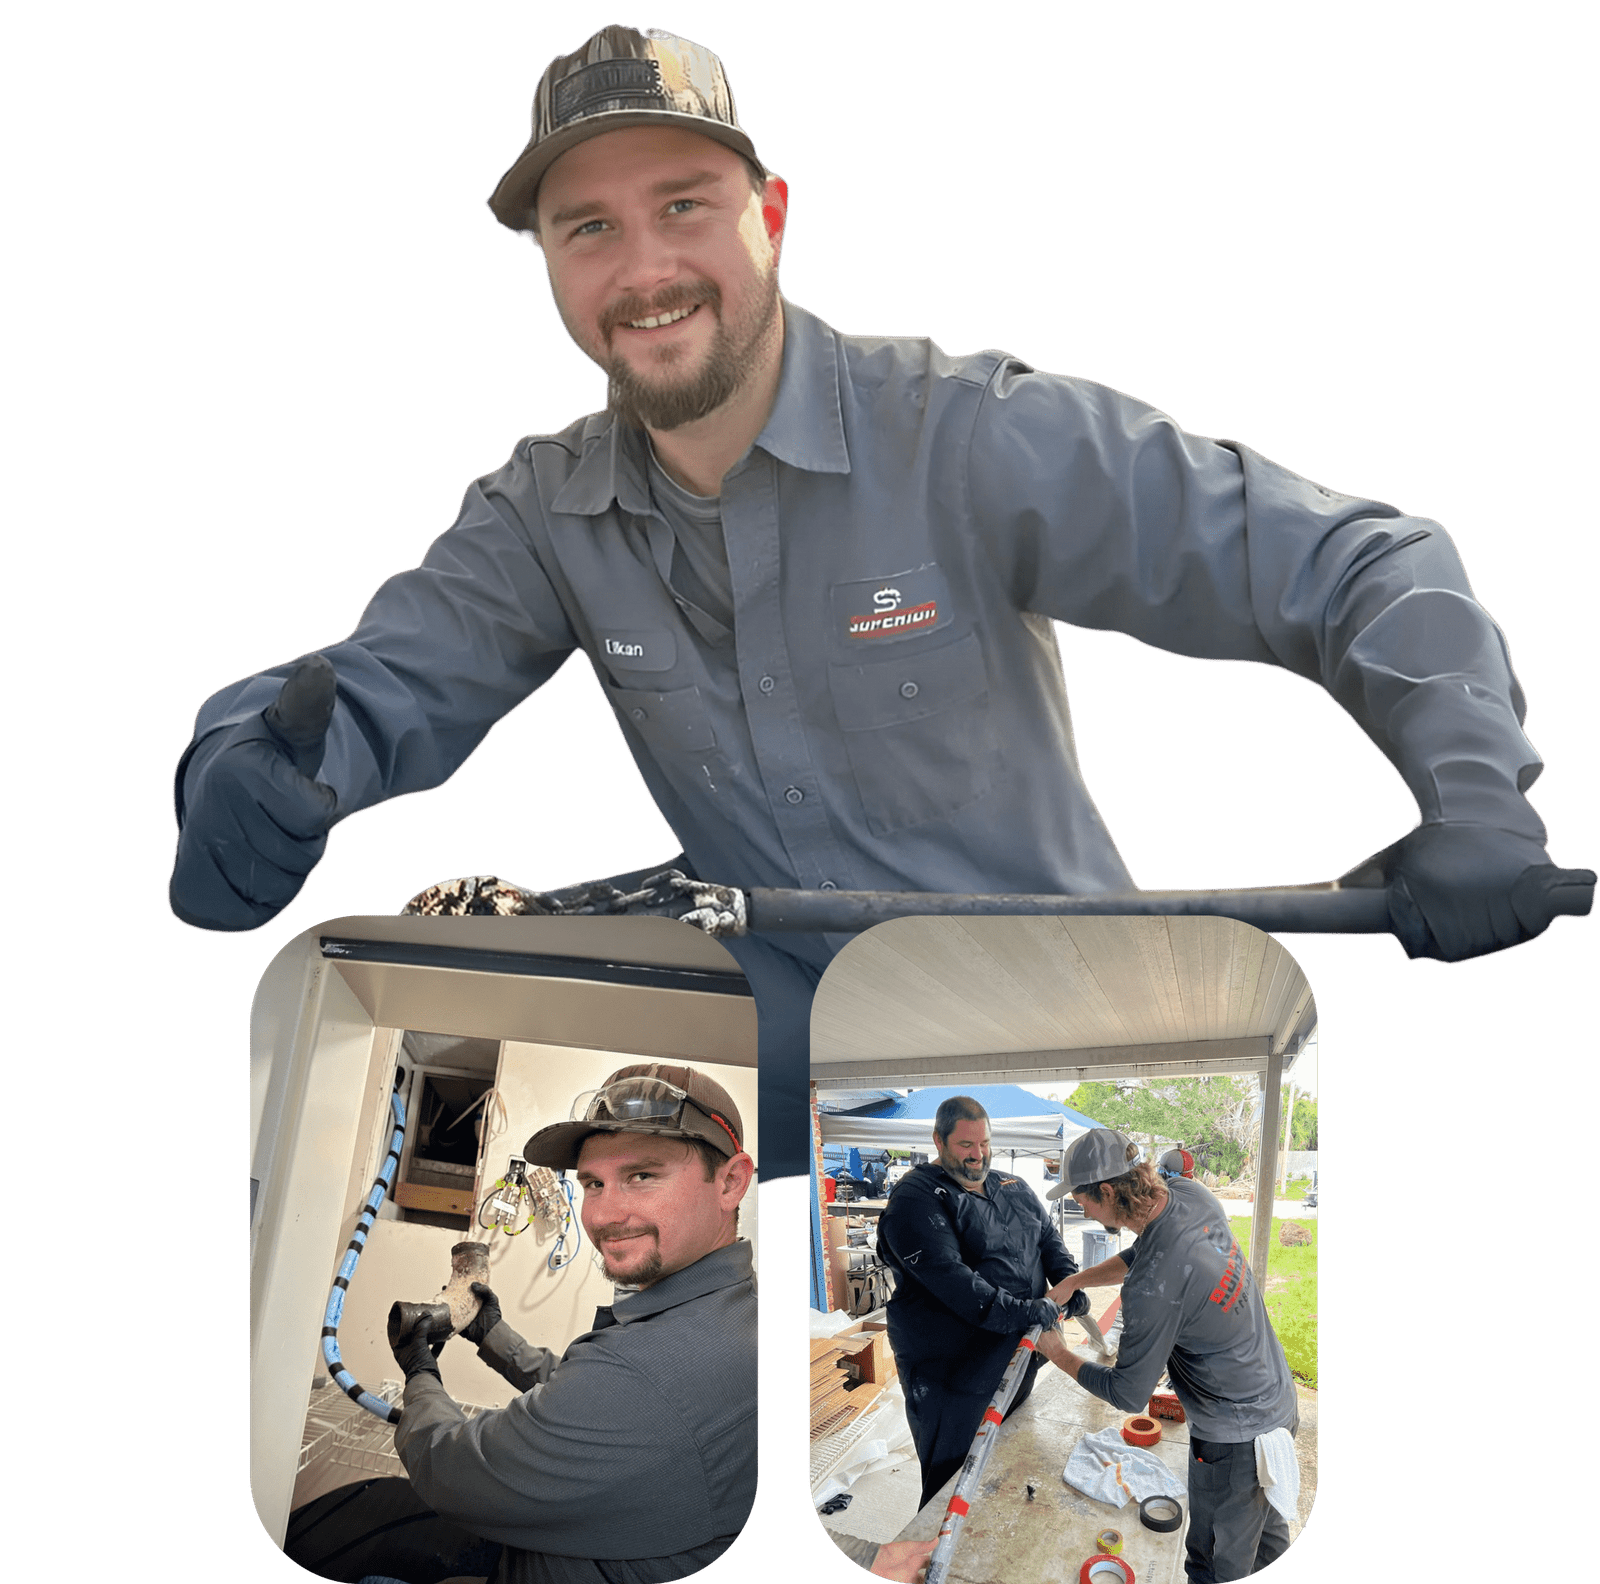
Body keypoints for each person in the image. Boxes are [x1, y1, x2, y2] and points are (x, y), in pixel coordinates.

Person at [167, 25, 1588, 1179]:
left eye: (685, 209)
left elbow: (1363, 563)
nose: (646, 269)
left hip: (1040, 1029)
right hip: (777, 1010)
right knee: (417, 1074)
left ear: (770, 218)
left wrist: (1473, 794)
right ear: (549, 264)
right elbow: (367, 691)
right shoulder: (546, 511)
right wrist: (247, 769)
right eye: (588, 228)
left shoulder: (968, 437)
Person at [285, 1063, 757, 1584]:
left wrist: (419, 1372)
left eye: (642, 1176)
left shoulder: (645, 1372)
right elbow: (589, 1396)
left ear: (731, 1182)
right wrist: (492, 1335)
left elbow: (450, 1471)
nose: (603, 1215)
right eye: (594, 1183)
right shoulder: (729, 1315)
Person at [1042, 1129, 1298, 1582]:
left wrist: (1059, 1353)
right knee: (1267, 1544)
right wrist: (1074, 1282)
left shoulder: (1151, 1290)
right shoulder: (1185, 1193)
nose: (1079, 1207)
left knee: (1213, 1564)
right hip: (1277, 1398)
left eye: (1082, 1198)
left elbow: (1128, 1393)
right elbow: (1143, 1253)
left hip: (1235, 1441)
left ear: (1106, 1191)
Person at [874, 1096, 1089, 1511]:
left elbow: (1047, 1240)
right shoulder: (916, 1199)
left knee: (1002, 1458)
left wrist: (1068, 1283)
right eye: (966, 1146)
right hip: (951, 1371)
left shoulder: (1014, 1188)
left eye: (985, 1143)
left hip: (1013, 1357)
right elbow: (953, 1281)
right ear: (938, 1141)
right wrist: (1027, 1312)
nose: (979, 1155)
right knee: (951, 1476)